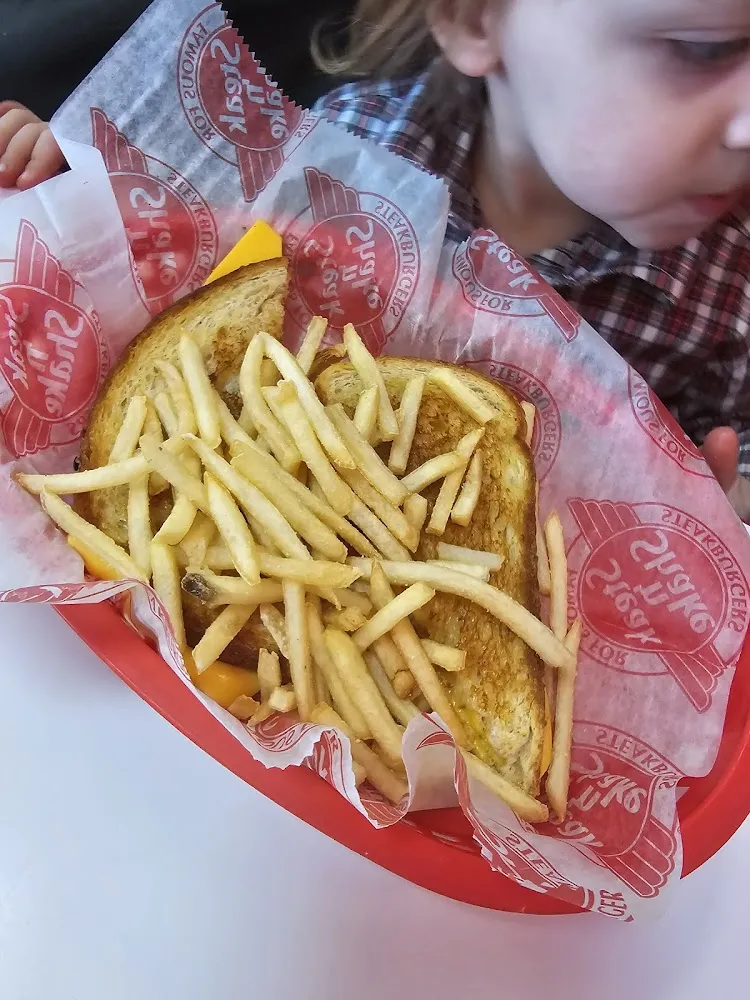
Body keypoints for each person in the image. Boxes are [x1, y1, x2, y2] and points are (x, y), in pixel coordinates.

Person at [3, 0, 750, 519]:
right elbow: (183, 304)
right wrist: (76, 203)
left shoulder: (729, 297)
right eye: (703, 47)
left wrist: (711, 506)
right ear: (471, 17)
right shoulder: (340, 152)